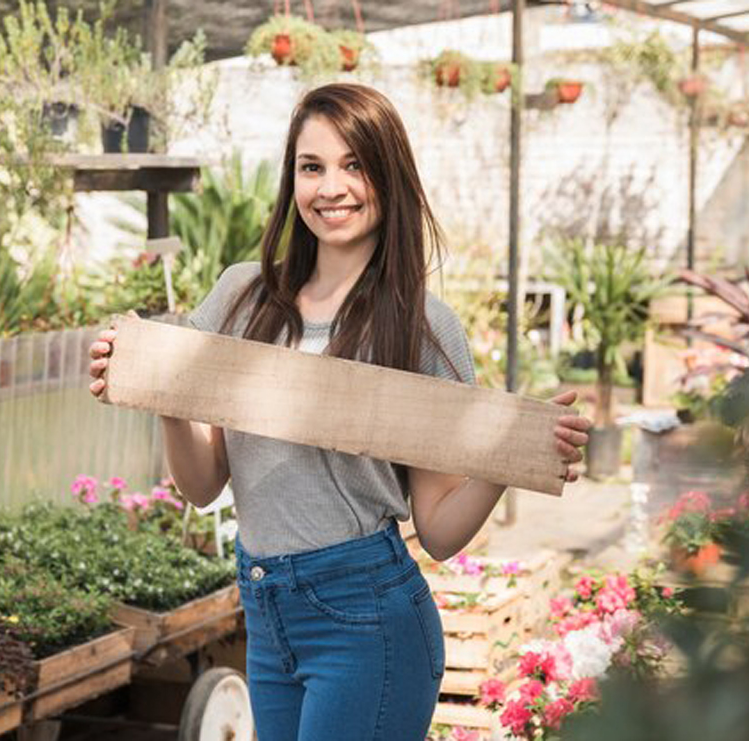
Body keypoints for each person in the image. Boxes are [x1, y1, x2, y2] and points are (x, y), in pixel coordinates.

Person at [87, 83, 591, 741]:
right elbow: (203, 483)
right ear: (290, 179)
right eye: (312, 166)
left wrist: (508, 457)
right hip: (266, 612)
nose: (332, 186)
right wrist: (157, 391)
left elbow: (437, 530)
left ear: (389, 174)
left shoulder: (424, 329)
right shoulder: (243, 296)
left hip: (367, 620)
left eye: (354, 164)